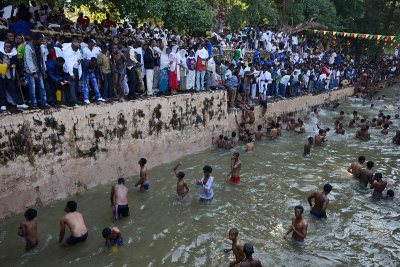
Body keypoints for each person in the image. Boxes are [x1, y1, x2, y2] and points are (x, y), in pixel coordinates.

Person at [24, 32, 48, 108]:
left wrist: (44, 71)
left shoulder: (40, 47)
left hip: (38, 70)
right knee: (32, 87)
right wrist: (34, 73)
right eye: (40, 40)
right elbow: (29, 61)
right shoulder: (28, 47)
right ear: (35, 40)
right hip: (30, 71)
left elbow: (42, 60)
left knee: (42, 87)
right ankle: (34, 104)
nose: (41, 42)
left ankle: (44, 102)